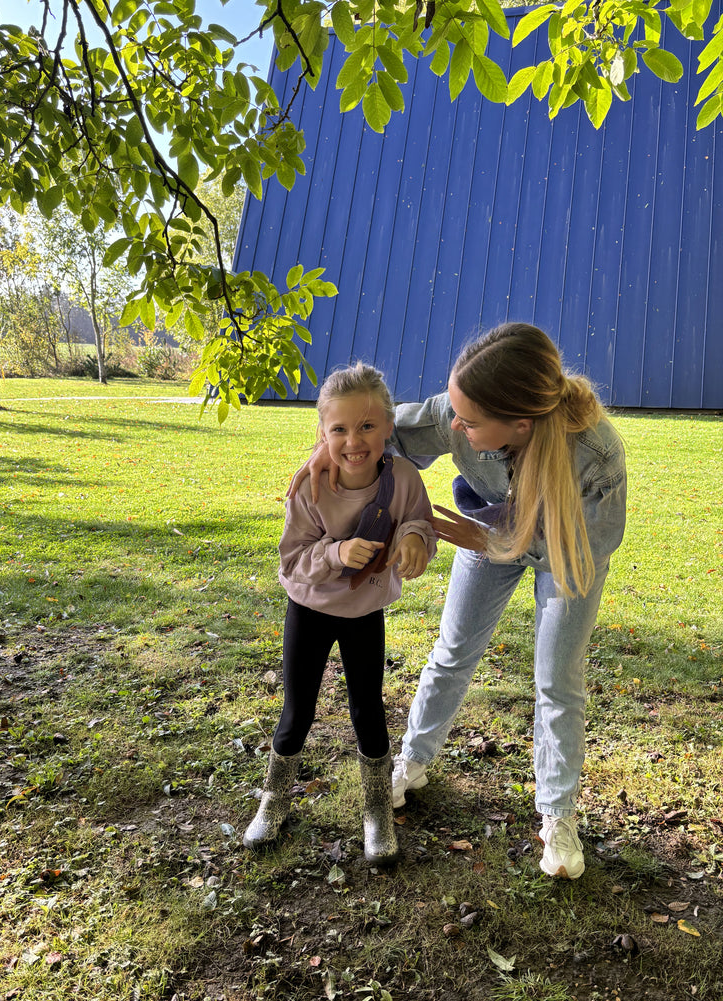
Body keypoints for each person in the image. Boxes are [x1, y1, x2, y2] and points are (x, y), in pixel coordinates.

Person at [291, 324, 627, 879]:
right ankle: (414, 762)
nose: (454, 426)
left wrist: (504, 541)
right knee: (452, 650)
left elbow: (590, 547)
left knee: (557, 679)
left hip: (568, 549)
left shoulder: (594, 456)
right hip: (487, 529)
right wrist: (325, 455)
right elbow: (383, 433)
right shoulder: (459, 408)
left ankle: (558, 815)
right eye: (454, 410)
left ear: (520, 424)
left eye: (468, 422)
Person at [243, 362, 437, 864]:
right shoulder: (311, 487)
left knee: (368, 710)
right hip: (309, 608)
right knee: (297, 710)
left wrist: (416, 538)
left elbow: (420, 520)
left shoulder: (403, 478)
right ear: (322, 433)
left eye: (368, 426)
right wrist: (335, 552)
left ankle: (375, 809)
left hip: (363, 612)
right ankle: (274, 798)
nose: (354, 441)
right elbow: (291, 559)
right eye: (340, 429)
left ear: (389, 427)